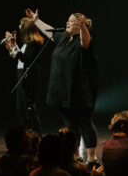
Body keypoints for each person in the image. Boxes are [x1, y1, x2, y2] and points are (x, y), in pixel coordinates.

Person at [33, 10, 100, 166]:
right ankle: (75, 155)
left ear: (78, 25)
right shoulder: (63, 38)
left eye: (71, 21)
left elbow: (86, 41)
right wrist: (36, 21)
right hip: (62, 91)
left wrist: (83, 28)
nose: (67, 23)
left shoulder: (82, 40)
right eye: (67, 21)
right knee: (69, 125)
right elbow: (49, 32)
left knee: (85, 124)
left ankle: (92, 159)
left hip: (80, 92)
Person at [4, 15, 50, 135]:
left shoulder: (34, 43)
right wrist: (10, 47)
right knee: (21, 109)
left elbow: (26, 59)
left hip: (29, 78)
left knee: (29, 109)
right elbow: (19, 58)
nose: (19, 27)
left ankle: (37, 136)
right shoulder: (27, 43)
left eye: (21, 25)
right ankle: (26, 135)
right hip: (22, 75)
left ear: (26, 28)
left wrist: (14, 45)